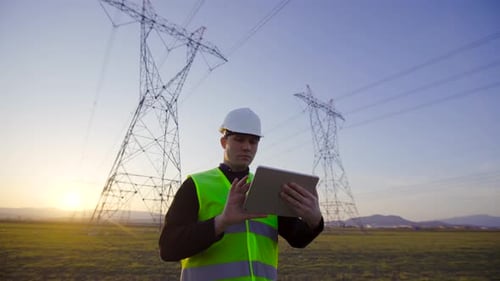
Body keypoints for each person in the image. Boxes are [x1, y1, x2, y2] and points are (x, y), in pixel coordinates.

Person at [159, 107, 324, 281]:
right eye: (239, 139)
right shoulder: (196, 185)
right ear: (224, 142)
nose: (247, 147)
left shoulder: (267, 186)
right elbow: (168, 248)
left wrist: (314, 221)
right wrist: (220, 223)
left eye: (253, 142)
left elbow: (297, 239)